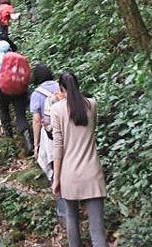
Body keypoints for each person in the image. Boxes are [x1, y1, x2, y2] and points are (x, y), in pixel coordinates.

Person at [51, 72, 107, 247]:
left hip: (70, 175)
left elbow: (57, 147)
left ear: (61, 89)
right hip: (92, 172)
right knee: (97, 230)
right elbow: (92, 130)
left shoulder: (56, 110)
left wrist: (56, 178)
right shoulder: (92, 104)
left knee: (72, 219)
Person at [30, 63, 66, 226]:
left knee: (54, 169)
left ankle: (63, 211)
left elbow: (37, 121)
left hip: (51, 136)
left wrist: (36, 145)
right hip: (68, 132)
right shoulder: (60, 86)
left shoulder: (36, 94)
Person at [0, 40, 33, 153]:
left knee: (4, 111)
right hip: (20, 91)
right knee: (20, 115)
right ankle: (29, 143)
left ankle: (10, 140)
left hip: (4, 91)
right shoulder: (19, 58)